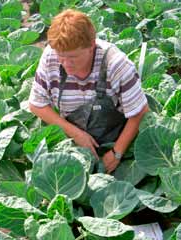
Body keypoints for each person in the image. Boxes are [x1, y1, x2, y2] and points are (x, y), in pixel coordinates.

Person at [28, 9, 148, 173]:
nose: (65, 63)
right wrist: (75, 133)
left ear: (91, 46)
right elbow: (37, 104)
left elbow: (139, 112)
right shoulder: (51, 57)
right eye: (61, 56)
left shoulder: (116, 65)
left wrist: (117, 153)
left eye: (72, 57)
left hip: (115, 137)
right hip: (72, 138)